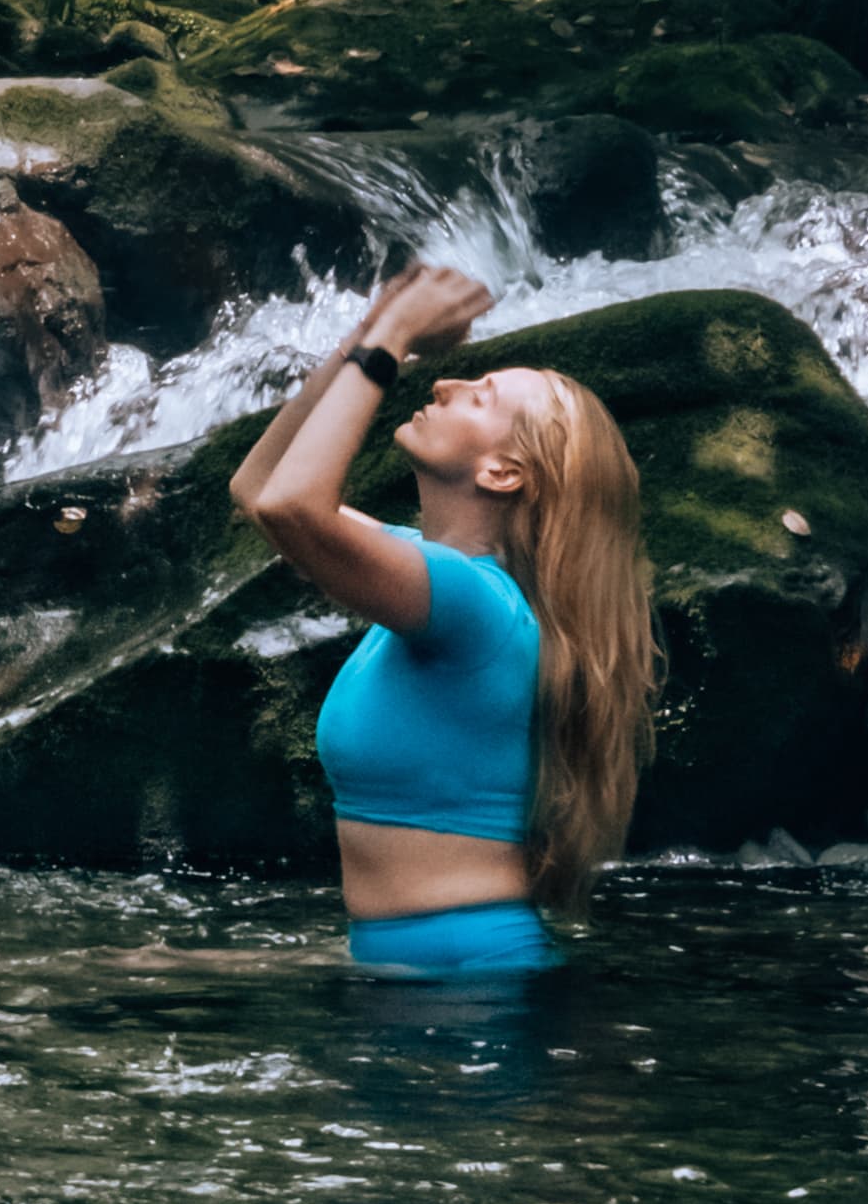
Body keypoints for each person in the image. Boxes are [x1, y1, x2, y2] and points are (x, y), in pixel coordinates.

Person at [230, 261, 656, 979]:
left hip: (462, 973)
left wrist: (392, 338)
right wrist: (365, 332)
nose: (442, 384)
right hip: (422, 963)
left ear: (502, 472)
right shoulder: (432, 576)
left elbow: (291, 505)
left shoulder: (470, 602)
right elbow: (261, 489)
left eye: (478, 397)